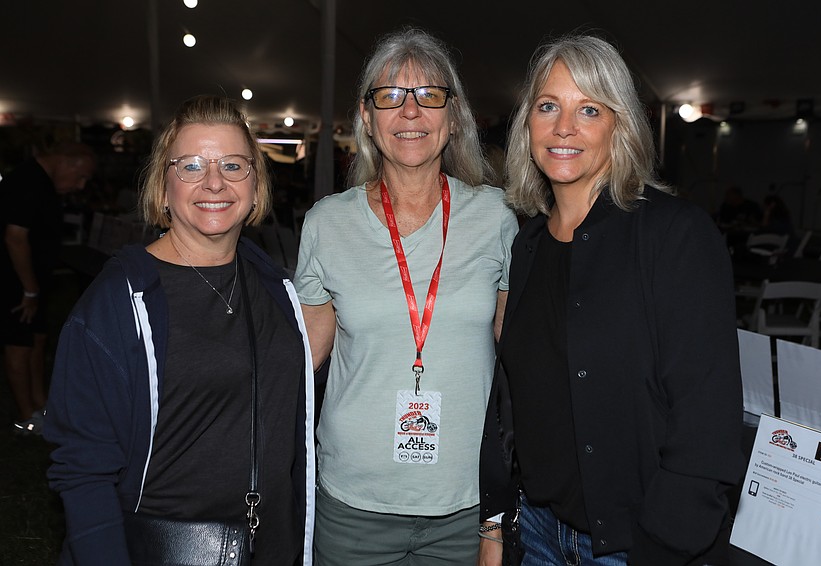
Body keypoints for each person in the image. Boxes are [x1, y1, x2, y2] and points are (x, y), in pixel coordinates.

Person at [478, 34, 744, 566]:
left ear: (619, 125)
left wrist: (660, 546)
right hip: (535, 534)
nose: (564, 128)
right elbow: (514, 406)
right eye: (548, 106)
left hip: (637, 546)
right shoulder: (526, 245)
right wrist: (497, 523)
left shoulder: (674, 236)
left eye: (590, 109)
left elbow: (706, 425)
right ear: (526, 124)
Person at [43, 95, 315, 565]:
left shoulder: (272, 286)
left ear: (256, 183)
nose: (214, 182)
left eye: (234, 165)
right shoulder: (119, 301)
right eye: (190, 165)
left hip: (272, 546)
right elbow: (82, 469)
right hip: (165, 549)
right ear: (163, 186)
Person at [294, 28, 517, 565]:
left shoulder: (496, 217)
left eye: (428, 95)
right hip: (353, 504)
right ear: (367, 118)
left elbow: (519, 366)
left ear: (454, 115)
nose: (410, 111)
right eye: (390, 96)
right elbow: (302, 355)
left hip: (466, 506)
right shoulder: (328, 222)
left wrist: (498, 514)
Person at [1, 141, 96, 435]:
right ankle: (27, 417)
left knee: (37, 339)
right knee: (19, 343)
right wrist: (29, 289)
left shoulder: (43, 183)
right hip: (14, 280)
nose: (80, 185)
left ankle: (40, 405)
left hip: (34, 280)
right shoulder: (27, 181)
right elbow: (15, 237)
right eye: (80, 177)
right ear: (67, 162)